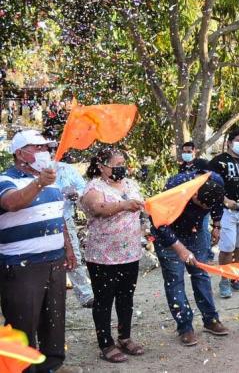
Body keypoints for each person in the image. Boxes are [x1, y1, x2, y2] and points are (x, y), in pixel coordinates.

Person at [0, 130, 81, 373]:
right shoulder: (6, 179)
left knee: (53, 319)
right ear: (19, 153)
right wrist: (38, 183)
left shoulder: (51, 181)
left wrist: (67, 248)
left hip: (54, 261)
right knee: (22, 321)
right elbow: (11, 203)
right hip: (21, 264)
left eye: (46, 147)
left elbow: (58, 215)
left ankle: (52, 364)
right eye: (37, 147)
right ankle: (21, 368)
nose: (44, 151)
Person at [151, 163, 229, 346]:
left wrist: (216, 226)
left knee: (201, 273)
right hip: (168, 233)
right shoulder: (175, 187)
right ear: (194, 194)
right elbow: (158, 222)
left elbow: (217, 204)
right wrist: (179, 248)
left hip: (196, 231)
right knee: (175, 280)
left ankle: (211, 319)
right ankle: (185, 326)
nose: (204, 209)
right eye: (201, 205)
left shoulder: (215, 181)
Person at [79, 148, 145, 362]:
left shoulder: (130, 184)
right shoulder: (94, 187)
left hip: (130, 253)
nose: (121, 167)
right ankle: (105, 343)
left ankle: (124, 337)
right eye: (116, 164)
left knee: (126, 298)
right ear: (101, 166)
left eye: (123, 163)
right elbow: (98, 208)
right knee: (104, 300)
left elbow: (142, 206)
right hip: (103, 256)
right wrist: (125, 205)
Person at [209, 129, 239, 298]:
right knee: (227, 248)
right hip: (227, 212)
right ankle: (224, 281)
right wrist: (225, 200)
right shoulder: (217, 162)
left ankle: (236, 278)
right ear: (229, 142)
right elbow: (211, 186)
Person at [53, 149, 95, 308]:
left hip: (66, 218)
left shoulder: (66, 169)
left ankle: (85, 295)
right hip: (40, 221)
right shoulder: (31, 172)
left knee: (73, 255)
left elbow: (83, 189)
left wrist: (74, 193)